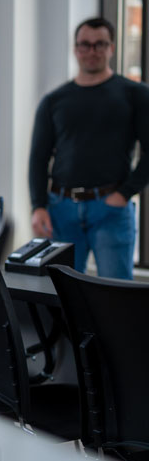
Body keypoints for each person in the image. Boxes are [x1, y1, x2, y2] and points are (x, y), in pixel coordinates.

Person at [28, 17, 149, 279]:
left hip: (111, 209)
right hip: (61, 210)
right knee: (62, 300)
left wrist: (124, 195)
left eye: (99, 45)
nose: (91, 51)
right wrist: (38, 206)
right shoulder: (53, 101)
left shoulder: (134, 94)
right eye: (85, 45)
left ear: (111, 48)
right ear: (75, 49)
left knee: (115, 299)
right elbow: (38, 158)